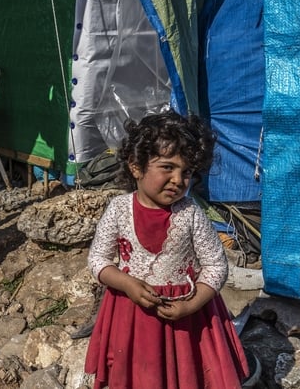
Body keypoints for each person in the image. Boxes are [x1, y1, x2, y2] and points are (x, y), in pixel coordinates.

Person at [84, 112, 249, 388]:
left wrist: (192, 305)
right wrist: (126, 283)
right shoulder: (118, 210)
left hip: (186, 320)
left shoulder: (190, 214)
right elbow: (98, 260)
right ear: (136, 167)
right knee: (138, 374)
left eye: (186, 172)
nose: (178, 180)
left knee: (186, 375)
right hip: (131, 316)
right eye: (167, 168)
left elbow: (217, 266)